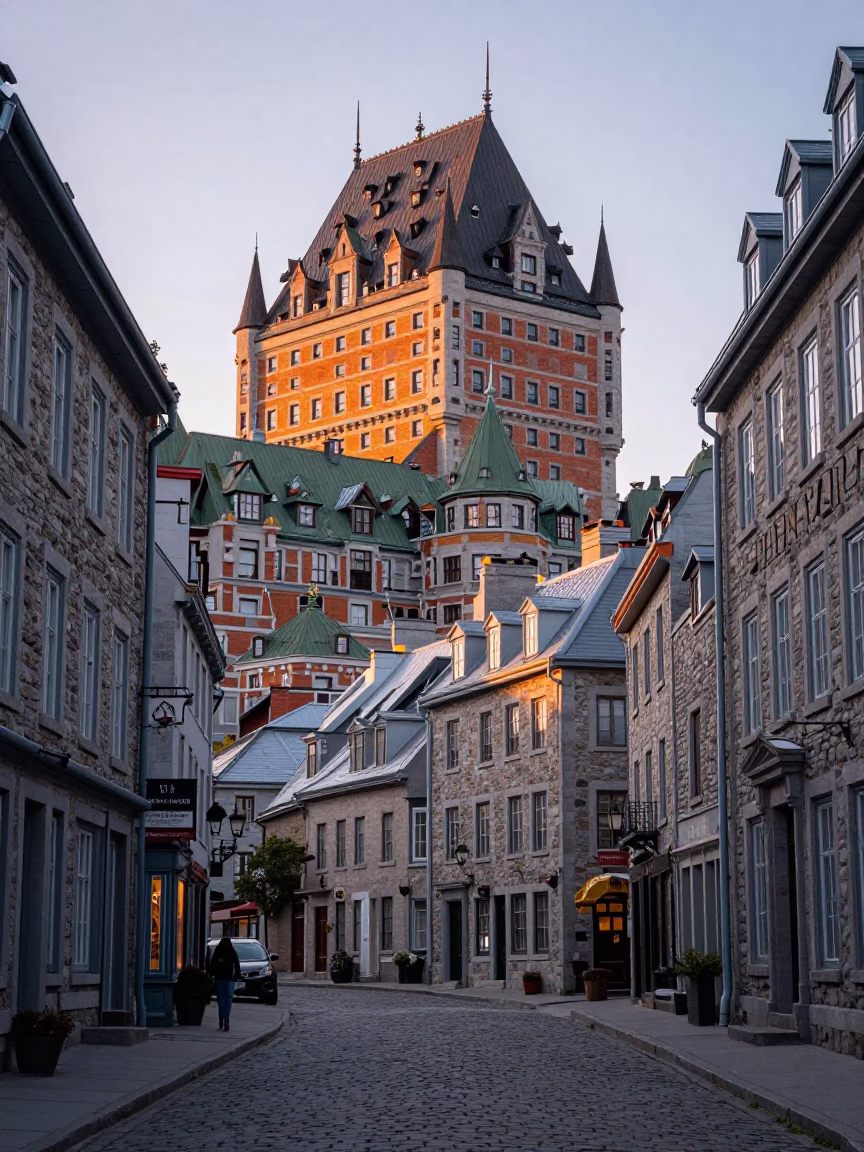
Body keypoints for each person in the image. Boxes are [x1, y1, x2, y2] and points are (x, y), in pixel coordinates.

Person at [207, 936, 241, 1031]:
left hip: (219, 979)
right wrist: (237, 975)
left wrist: (210, 974)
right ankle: (226, 1019)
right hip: (229, 979)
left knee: (221, 1000)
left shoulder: (218, 951)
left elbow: (212, 964)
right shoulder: (231, 951)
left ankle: (221, 1019)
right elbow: (237, 964)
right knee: (228, 1000)